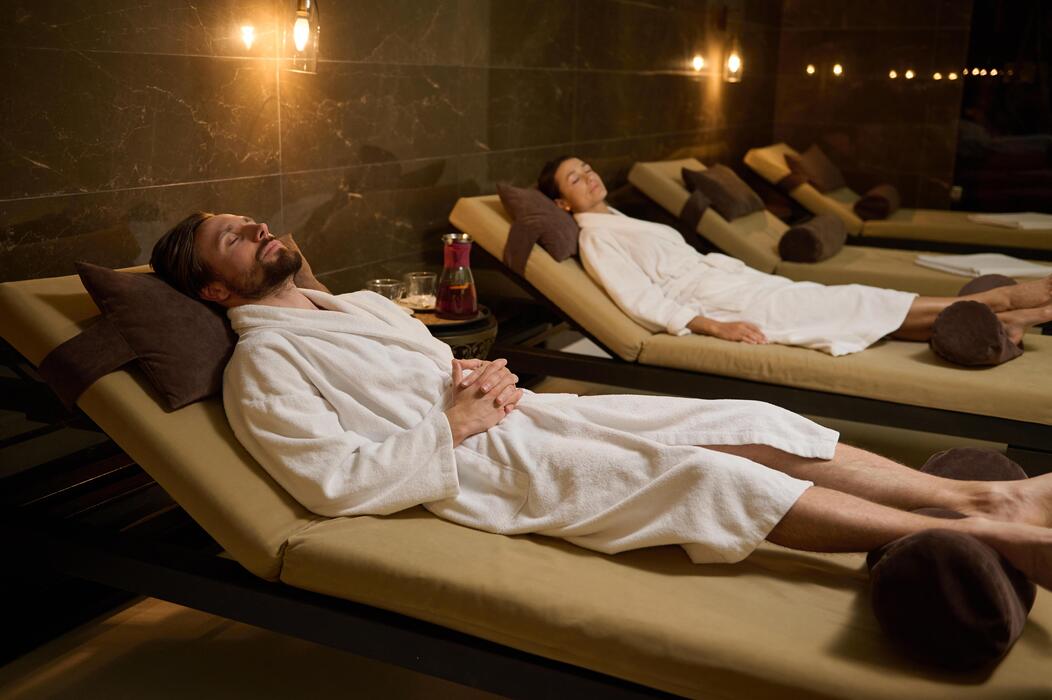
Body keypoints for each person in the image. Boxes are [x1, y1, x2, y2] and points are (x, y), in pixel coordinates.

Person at [149, 211, 1052, 589]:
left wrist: (479, 380)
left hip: (518, 418)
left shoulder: (346, 306)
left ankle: (976, 494)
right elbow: (327, 481)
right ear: (215, 293)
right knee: (700, 475)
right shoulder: (259, 368)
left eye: (251, 221)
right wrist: (451, 424)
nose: (258, 228)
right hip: (484, 469)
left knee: (743, 420)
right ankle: (980, 531)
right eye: (233, 237)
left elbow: (432, 368)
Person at [537, 156, 1052, 355]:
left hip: (734, 284)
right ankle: (1006, 301)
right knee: (850, 302)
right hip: (720, 303)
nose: (590, 177)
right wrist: (713, 326)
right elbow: (637, 298)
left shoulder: (618, 219)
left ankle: (1002, 316)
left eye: (587, 168)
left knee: (849, 307)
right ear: (563, 202)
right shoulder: (596, 238)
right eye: (575, 179)